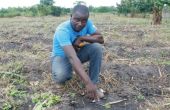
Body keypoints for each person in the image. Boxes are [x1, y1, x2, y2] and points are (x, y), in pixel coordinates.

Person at [51, 4, 104, 99]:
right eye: (77, 19)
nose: (80, 23)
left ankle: (94, 85)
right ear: (71, 16)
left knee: (97, 48)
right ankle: (70, 70)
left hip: (76, 53)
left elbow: (100, 39)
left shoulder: (88, 24)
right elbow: (72, 57)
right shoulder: (62, 30)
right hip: (62, 57)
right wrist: (87, 83)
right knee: (61, 77)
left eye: (84, 20)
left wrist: (82, 38)